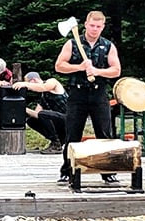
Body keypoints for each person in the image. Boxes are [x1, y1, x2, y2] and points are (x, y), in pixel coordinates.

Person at [55, 11, 121, 185]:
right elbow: (59, 66)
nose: (95, 29)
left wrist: (97, 71)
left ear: (103, 27)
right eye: (92, 25)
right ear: (85, 24)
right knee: (72, 134)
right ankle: (67, 170)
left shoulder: (108, 46)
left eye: (98, 26)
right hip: (77, 94)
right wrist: (79, 67)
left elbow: (116, 70)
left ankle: (108, 172)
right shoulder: (72, 43)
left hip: (99, 94)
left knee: (105, 133)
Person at [12, 71, 68, 154]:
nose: (28, 88)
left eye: (28, 83)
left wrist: (25, 84)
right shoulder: (43, 97)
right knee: (32, 120)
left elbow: (44, 87)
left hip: (69, 119)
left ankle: (56, 145)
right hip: (58, 122)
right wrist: (22, 108)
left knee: (43, 114)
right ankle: (57, 140)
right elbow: (37, 114)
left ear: (33, 80)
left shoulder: (52, 82)